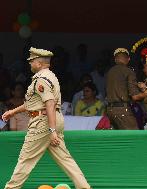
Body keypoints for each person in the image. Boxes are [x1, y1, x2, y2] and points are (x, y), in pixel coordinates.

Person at [2, 47, 91, 189]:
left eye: (32, 61)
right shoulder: (51, 76)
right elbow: (33, 103)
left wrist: (52, 129)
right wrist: (12, 112)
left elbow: (49, 103)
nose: (30, 64)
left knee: (26, 159)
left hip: (43, 122)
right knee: (65, 159)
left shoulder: (41, 79)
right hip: (51, 118)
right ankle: (84, 187)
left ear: (39, 62)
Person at [105, 48, 147, 130]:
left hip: (110, 110)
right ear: (128, 59)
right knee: (134, 137)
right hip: (122, 110)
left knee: (119, 139)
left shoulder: (109, 72)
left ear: (115, 60)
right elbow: (135, 96)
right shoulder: (128, 71)